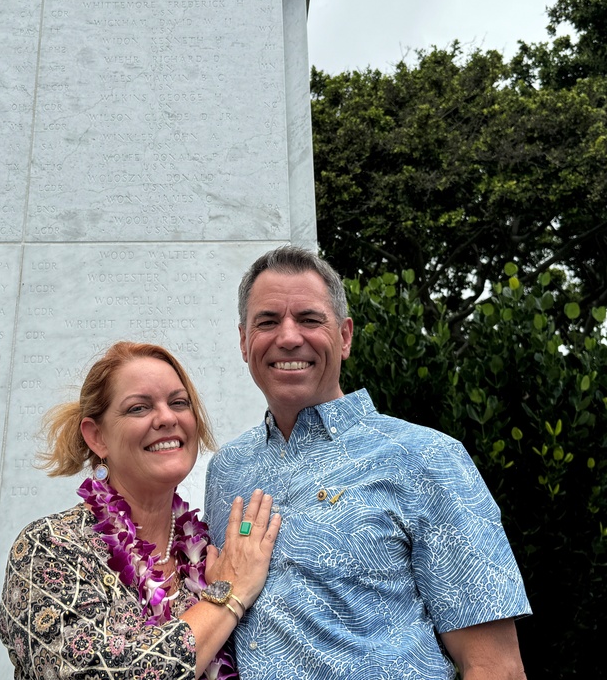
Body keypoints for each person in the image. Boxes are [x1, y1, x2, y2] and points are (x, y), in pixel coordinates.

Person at [205, 246, 531, 680]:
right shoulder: (227, 469)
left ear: (344, 336)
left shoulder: (425, 458)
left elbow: (495, 666)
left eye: (308, 319)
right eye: (267, 321)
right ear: (244, 341)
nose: (287, 337)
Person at [0, 341, 281, 680]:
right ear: (97, 436)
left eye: (179, 403)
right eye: (138, 408)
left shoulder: (211, 552)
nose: (166, 418)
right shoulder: (49, 547)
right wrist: (228, 596)